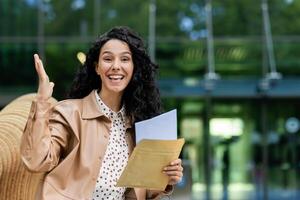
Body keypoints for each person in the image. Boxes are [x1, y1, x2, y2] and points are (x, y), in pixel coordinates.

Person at [20, 26, 183, 200]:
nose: (116, 66)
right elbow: (37, 160)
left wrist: (166, 177)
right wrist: (42, 102)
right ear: (97, 67)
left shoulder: (137, 123)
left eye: (125, 59)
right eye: (108, 59)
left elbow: (140, 191)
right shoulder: (69, 112)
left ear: (134, 68)